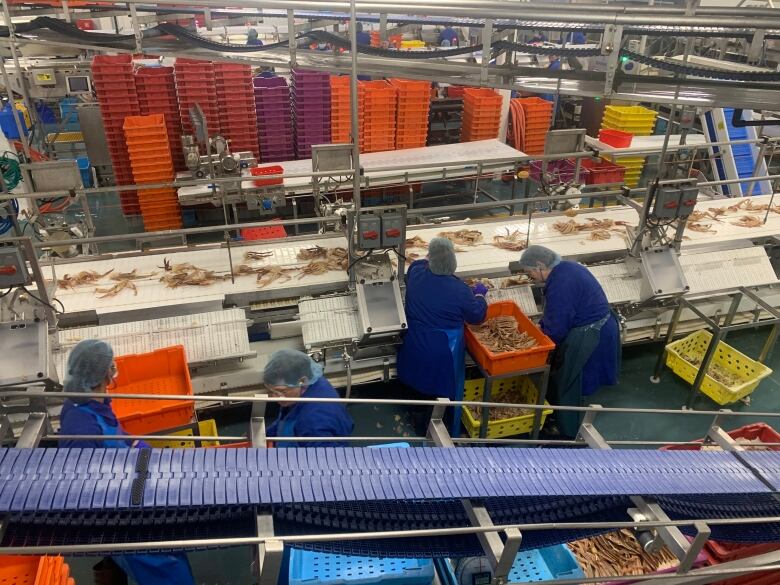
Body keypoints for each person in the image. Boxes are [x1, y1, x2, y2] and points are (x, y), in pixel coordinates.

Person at [59, 339, 195, 585]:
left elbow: (114, 434)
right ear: (102, 375)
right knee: (163, 560)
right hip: (122, 514)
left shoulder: (89, 400)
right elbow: (80, 485)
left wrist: (135, 445)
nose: (114, 371)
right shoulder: (82, 427)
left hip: (127, 485)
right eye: (111, 367)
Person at [517, 246, 621, 437]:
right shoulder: (569, 267)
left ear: (540, 265)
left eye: (530, 271)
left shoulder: (560, 283)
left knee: (571, 380)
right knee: (576, 377)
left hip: (590, 334)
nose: (531, 276)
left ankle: (568, 431)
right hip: (602, 324)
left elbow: (557, 327)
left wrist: (537, 338)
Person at [397, 237, 488, 433]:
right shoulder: (460, 290)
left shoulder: (416, 273)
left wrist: (430, 256)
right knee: (438, 386)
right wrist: (480, 296)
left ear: (430, 259)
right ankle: (435, 425)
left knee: (416, 379)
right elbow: (477, 316)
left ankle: (417, 417)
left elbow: (418, 264)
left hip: (413, 341)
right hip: (441, 349)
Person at [264, 349, 354, 447]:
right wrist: (266, 434)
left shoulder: (312, 422)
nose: (275, 397)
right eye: (272, 391)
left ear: (302, 381)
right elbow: (286, 416)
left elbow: (325, 459)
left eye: (282, 391)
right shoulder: (311, 381)